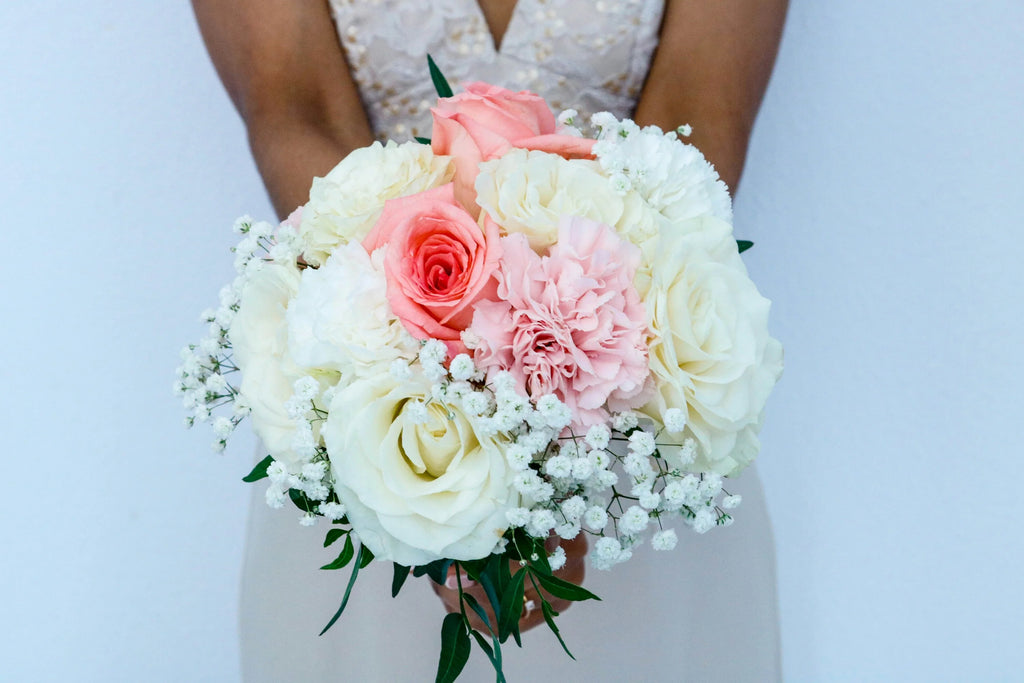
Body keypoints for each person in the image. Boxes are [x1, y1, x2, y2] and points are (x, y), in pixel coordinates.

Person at [193, 1, 788, 680]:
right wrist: (444, 437)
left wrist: (560, 448)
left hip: (633, 430)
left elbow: (700, 111)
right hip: (378, 426)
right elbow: (298, 110)